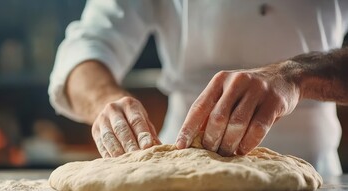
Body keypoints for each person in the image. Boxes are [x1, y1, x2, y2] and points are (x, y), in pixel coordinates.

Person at [49, 0, 348, 176]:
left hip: (311, 168)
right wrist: (104, 100)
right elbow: (87, 47)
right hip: (174, 167)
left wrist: (298, 75)